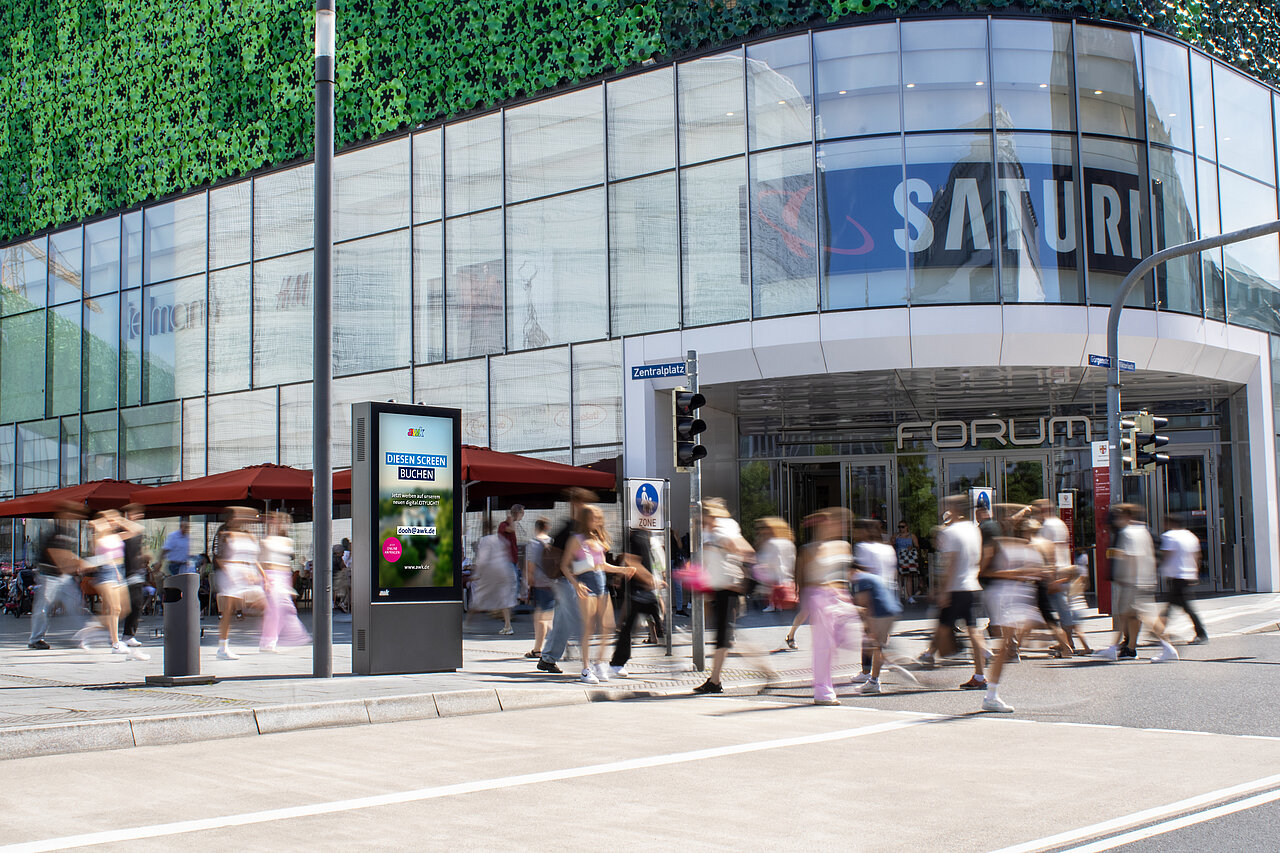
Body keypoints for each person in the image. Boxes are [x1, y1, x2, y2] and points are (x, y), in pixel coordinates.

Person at [793, 507, 861, 705]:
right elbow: (802, 578)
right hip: (818, 596)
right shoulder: (809, 549)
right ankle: (822, 690)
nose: (842, 527)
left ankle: (821, 680)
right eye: (839, 523)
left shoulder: (843, 546)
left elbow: (846, 574)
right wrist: (805, 601)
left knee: (848, 638)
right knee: (824, 645)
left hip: (840, 597)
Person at [1094, 504, 1178, 663]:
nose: (1115, 520)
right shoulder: (1143, 531)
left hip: (1132, 582)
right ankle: (1120, 648)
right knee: (1130, 616)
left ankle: (1167, 647)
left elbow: (1132, 557)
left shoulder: (1128, 533)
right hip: (1143, 580)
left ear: (1126, 516)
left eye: (1118, 516)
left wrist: (1119, 559)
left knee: (1140, 617)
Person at [920, 496, 989, 690]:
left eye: (947, 506)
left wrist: (942, 591)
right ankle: (980, 675)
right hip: (973, 586)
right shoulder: (974, 530)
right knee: (973, 630)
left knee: (943, 626)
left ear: (955, 509)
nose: (945, 510)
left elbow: (949, 564)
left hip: (956, 587)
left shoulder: (950, 532)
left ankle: (928, 657)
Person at [693, 498, 756, 695]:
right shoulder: (715, 530)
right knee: (725, 636)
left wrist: (724, 548)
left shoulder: (722, 530)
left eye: (702, 517)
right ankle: (715, 680)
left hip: (728, 588)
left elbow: (744, 550)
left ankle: (716, 681)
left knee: (723, 636)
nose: (700, 521)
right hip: (720, 588)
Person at [537, 488, 597, 675]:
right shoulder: (570, 528)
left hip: (570, 580)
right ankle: (587, 662)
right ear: (576, 504)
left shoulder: (578, 528)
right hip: (564, 579)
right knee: (577, 619)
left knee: (564, 619)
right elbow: (562, 559)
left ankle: (548, 658)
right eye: (584, 503)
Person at [77, 509, 149, 660]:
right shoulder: (100, 535)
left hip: (119, 573)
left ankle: (90, 630)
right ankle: (116, 644)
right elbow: (95, 526)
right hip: (106, 572)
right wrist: (106, 520)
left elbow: (137, 529)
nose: (113, 523)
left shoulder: (117, 536)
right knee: (114, 609)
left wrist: (121, 520)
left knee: (123, 610)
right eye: (110, 520)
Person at [607, 529, 666, 678]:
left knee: (634, 626)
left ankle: (618, 662)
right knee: (630, 627)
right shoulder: (638, 539)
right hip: (640, 591)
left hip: (643, 591)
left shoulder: (641, 538)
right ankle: (617, 662)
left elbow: (631, 560)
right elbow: (632, 561)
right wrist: (651, 580)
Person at [27, 505, 87, 650]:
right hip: (49, 576)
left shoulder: (70, 533)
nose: (74, 518)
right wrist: (78, 562)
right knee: (43, 608)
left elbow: (65, 555)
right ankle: (35, 639)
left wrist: (74, 564)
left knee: (76, 605)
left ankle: (84, 636)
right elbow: (57, 554)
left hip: (63, 576)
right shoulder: (54, 534)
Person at [214, 508, 265, 660]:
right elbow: (219, 558)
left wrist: (263, 576)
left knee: (265, 605)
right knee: (228, 611)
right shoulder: (225, 535)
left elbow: (254, 559)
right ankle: (223, 647)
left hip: (248, 573)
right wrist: (231, 575)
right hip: (231, 573)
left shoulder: (249, 536)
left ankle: (266, 638)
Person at [259, 512, 310, 652]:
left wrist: (289, 583)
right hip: (271, 575)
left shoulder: (287, 541)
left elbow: (286, 564)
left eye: (285, 523)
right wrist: (265, 579)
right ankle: (269, 641)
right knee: (275, 609)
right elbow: (260, 562)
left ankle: (273, 640)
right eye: (280, 522)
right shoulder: (267, 540)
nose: (282, 525)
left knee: (286, 608)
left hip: (283, 576)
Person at [1154, 514, 1208, 644]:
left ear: (1170, 523)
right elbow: (1198, 555)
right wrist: (1195, 571)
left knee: (1184, 606)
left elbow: (1165, 554)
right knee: (1174, 605)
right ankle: (1157, 632)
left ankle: (1201, 634)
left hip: (1176, 575)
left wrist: (1157, 567)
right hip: (1187, 575)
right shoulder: (1191, 536)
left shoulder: (1169, 536)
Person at [466, 518, 516, 634]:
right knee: (504, 598)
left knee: (479, 596)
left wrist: (477, 574)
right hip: (505, 570)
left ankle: (468, 623)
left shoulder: (484, 540)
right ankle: (508, 626)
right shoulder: (500, 539)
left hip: (491, 572)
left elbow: (483, 559)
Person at [523, 517, 555, 658]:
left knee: (541, 617)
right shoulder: (553, 542)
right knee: (547, 616)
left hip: (540, 583)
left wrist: (528, 581)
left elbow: (531, 565)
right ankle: (541, 647)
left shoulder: (533, 543)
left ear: (536, 528)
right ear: (547, 528)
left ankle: (540, 649)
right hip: (555, 582)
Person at [119, 505, 148, 647]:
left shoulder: (137, 532)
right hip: (125, 572)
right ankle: (96, 632)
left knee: (136, 604)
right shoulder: (122, 531)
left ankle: (128, 635)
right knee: (119, 608)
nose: (137, 516)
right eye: (134, 513)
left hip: (135, 572)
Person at [752, 517, 795, 613]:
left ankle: (773, 605)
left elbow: (770, 561)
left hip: (773, 581)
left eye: (764, 528)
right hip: (786, 580)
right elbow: (791, 561)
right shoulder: (788, 543)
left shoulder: (771, 543)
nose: (761, 531)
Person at [498, 504, 525, 603]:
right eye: (522, 513)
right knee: (512, 584)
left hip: (512, 561)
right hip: (506, 560)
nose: (522, 516)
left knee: (515, 583)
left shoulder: (509, 525)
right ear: (518, 513)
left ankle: (512, 604)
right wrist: (511, 519)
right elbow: (511, 529)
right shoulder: (504, 525)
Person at [893, 520, 921, 603]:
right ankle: (897, 596)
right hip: (899, 557)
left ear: (906, 527)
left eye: (902, 527)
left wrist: (912, 547)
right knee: (899, 577)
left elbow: (917, 546)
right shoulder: (896, 535)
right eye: (899, 527)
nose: (901, 529)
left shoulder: (912, 536)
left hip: (908, 557)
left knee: (909, 576)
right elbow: (892, 544)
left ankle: (910, 596)